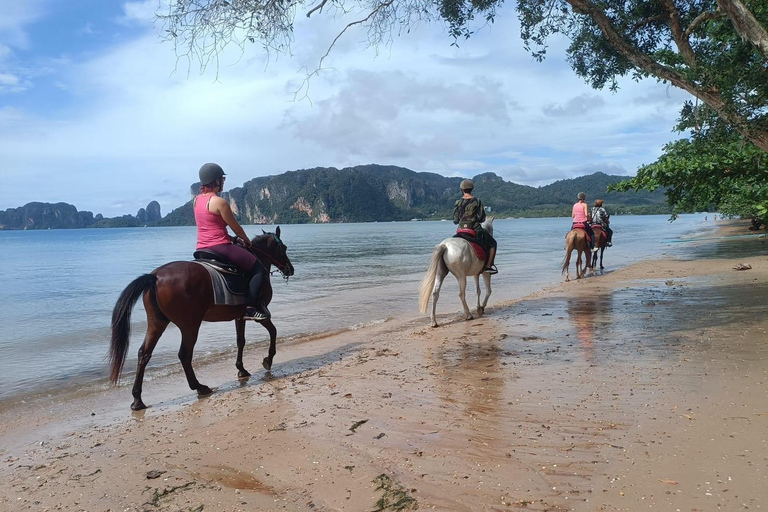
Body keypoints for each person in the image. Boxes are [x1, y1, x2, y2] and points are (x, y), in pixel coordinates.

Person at [194, 163, 270, 321]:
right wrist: (247, 241)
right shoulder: (219, 202)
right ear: (216, 181)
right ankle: (250, 308)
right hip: (221, 246)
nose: (223, 182)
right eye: (222, 179)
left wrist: (233, 239)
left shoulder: (196, 201)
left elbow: (209, 225)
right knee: (259, 269)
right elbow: (236, 228)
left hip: (201, 248)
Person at [453, 179, 498, 274]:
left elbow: (455, 221)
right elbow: (482, 218)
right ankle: (488, 266)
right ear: (472, 189)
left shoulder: (458, 202)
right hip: (474, 229)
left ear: (462, 189)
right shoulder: (477, 201)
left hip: (460, 230)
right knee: (493, 243)